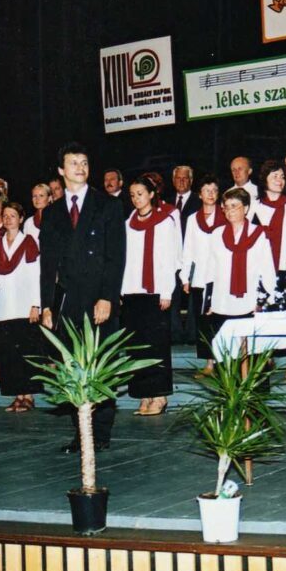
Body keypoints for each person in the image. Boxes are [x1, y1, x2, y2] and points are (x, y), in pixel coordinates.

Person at [40, 141, 126, 453]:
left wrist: (108, 297)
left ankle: (100, 433)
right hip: (69, 301)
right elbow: (47, 264)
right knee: (72, 367)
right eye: (73, 162)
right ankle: (81, 433)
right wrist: (47, 305)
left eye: (84, 162)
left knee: (101, 364)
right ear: (61, 170)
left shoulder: (108, 205)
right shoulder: (51, 212)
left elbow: (116, 257)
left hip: (99, 298)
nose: (80, 167)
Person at [121, 176, 182, 416]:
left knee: (156, 346)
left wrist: (167, 291)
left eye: (140, 193)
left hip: (156, 291)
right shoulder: (128, 223)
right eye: (132, 195)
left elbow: (170, 259)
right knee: (136, 347)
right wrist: (121, 289)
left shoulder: (164, 222)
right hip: (132, 291)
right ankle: (144, 395)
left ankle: (159, 396)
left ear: (151, 194)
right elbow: (125, 259)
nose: (136, 198)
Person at [0, 201, 43, 412]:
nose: (8, 219)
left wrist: (36, 304)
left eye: (13, 216)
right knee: (9, 354)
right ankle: (17, 396)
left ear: (21, 219)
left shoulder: (29, 242)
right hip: (4, 307)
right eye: (5, 216)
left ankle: (28, 396)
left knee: (26, 352)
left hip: (24, 305)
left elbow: (36, 275)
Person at [204, 187, 277, 339]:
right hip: (221, 302)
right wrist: (208, 302)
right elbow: (210, 270)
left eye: (234, 206)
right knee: (224, 348)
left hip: (249, 302)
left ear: (246, 208)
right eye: (226, 207)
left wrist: (263, 301)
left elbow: (267, 270)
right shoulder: (217, 234)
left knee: (248, 349)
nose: (229, 211)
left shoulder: (259, 234)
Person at [180, 174, 225, 376]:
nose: (211, 194)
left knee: (220, 321)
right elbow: (188, 250)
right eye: (207, 191)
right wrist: (185, 278)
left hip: (220, 278)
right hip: (199, 279)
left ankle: (223, 364)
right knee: (204, 323)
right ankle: (209, 364)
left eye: (214, 190)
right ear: (200, 194)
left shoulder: (225, 217)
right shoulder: (192, 219)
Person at [253, 160, 286, 278]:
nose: (280, 180)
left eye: (282, 177)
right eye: (275, 176)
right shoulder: (255, 206)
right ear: (264, 179)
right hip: (260, 266)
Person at [169, 165, 201, 345]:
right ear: (173, 181)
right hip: (173, 255)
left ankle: (192, 335)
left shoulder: (199, 201)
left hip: (193, 255)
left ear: (191, 180)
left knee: (193, 296)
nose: (181, 181)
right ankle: (174, 334)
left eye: (185, 178)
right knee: (172, 294)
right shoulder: (165, 202)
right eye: (178, 178)